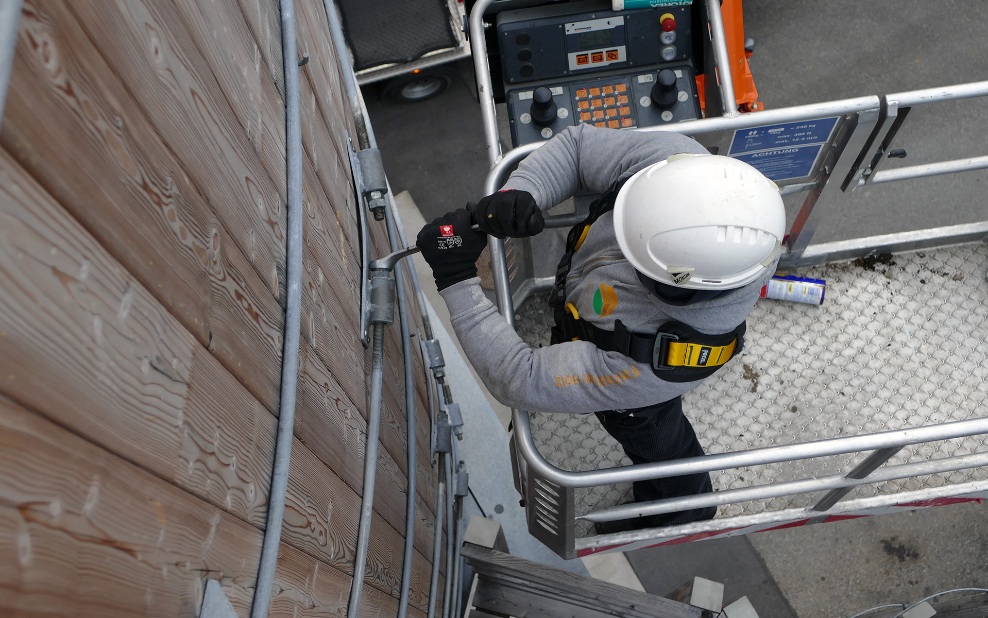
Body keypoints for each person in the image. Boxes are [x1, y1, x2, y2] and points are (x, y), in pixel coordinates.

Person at [415, 125, 785, 531]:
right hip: (602, 326)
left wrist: (456, 279)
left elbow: (520, 378)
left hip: (639, 400)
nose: (625, 252)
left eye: (640, 260)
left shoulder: (651, 360)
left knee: (658, 443)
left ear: (686, 290)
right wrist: (519, 194)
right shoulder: (679, 168)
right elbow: (578, 147)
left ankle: (685, 508)